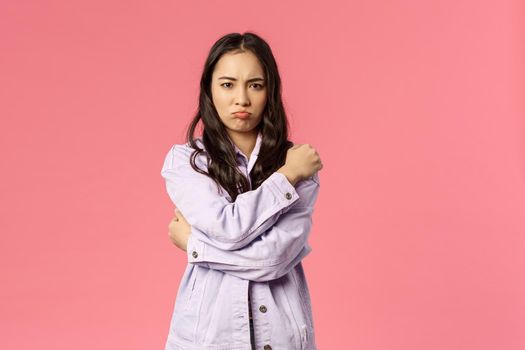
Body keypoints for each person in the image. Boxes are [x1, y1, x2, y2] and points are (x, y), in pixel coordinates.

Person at [161, 32, 323, 350]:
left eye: (255, 85)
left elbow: (274, 260)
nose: (242, 99)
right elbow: (227, 228)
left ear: (270, 91)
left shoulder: (299, 163)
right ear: (209, 90)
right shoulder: (186, 162)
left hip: (280, 338)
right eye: (227, 84)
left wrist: (196, 247)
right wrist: (286, 178)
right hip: (206, 339)